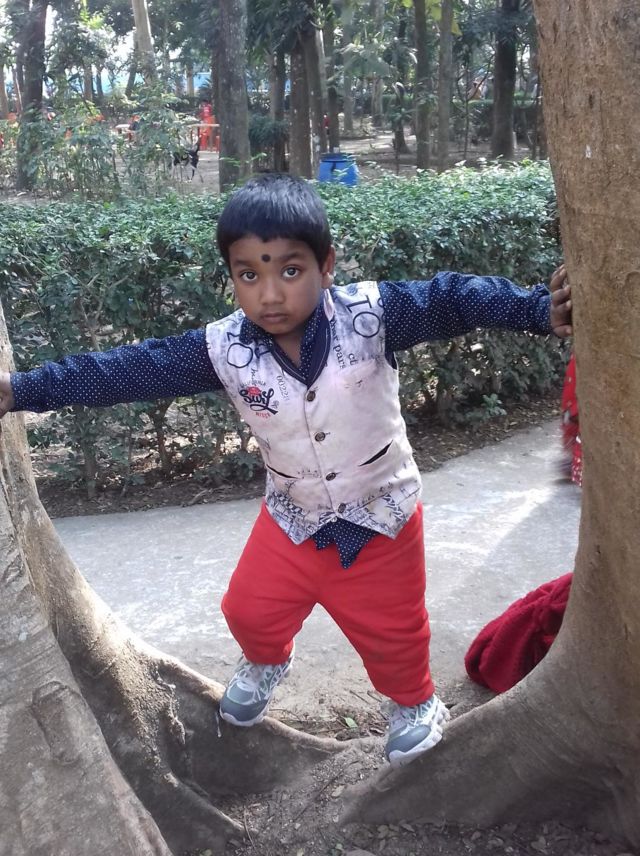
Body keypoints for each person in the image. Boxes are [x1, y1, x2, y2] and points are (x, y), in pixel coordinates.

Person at [0, 174, 572, 768]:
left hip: (384, 516)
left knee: (395, 634)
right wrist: (23, 389)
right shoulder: (222, 348)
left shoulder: (373, 315)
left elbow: (453, 299)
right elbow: (129, 369)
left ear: (326, 266)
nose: (270, 294)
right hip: (291, 520)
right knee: (247, 609)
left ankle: (414, 704)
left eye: (290, 271)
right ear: (232, 277)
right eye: (249, 274)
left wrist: (535, 308)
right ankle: (268, 661)